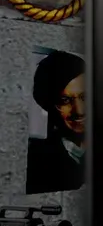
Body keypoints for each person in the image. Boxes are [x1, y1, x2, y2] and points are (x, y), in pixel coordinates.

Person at [26, 51, 86, 194]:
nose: (79, 111)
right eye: (65, 100)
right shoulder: (37, 163)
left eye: (85, 97)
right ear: (50, 106)